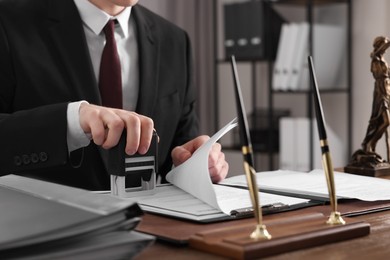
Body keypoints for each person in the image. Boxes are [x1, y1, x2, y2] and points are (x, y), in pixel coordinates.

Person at [0, 0, 229, 190]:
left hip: (155, 230)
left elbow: (180, 148)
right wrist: (71, 120)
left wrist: (197, 165)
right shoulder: (8, 22)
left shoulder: (175, 40)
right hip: (45, 232)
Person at [360, 36, 390, 162]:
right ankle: (369, 144)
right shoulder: (375, 58)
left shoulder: (383, 59)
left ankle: (371, 145)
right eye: (384, 45)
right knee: (385, 120)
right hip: (380, 92)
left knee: (384, 122)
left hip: (387, 90)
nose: (386, 48)